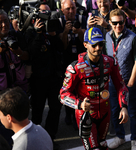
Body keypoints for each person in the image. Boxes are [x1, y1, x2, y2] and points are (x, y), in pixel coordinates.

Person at [60, 27, 129, 150]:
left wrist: (124, 106)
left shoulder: (111, 62)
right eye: (94, 45)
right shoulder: (76, 67)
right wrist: (80, 104)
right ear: (85, 44)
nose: (98, 48)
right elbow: (63, 95)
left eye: (101, 44)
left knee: (103, 144)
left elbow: (121, 85)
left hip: (105, 112)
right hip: (86, 115)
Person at [24, 3, 63, 144]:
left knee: (55, 109)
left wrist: (53, 35)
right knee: (37, 111)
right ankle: (36, 141)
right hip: (38, 79)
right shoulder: (30, 31)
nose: (45, 16)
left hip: (54, 78)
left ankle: (49, 138)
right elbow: (32, 53)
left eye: (47, 12)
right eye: (42, 13)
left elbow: (60, 48)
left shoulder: (53, 27)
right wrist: (39, 34)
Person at [0, 9, 29, 146]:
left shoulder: (17, 35)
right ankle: (6, 146)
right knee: (4, 120)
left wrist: (17, 51)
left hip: (18, 85)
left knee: (20, 116)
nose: (4, 25)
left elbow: (27, 56)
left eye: (6, 21)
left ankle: (22, 144)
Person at [106, 9, 136, 150]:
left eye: (121, 22)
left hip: (128, 81)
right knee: (115, 110)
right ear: (110, 23)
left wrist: (131, 82)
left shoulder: (133, 38)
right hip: (112, 82)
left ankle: (135, 140)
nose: (118, 26)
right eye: (114, 23)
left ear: (124, 21)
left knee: (132, 111)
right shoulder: (107, 37)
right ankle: (120, 137)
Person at [58, 0, 87, 129]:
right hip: (66, 59)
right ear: (62, 10)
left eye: (73, 8)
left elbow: (86, 42)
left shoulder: (83, 18)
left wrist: (79, 31)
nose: (71, 11)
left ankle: (79, 115)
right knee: (68, 88)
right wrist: (65, 32)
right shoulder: (59, 22)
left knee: (80, 88)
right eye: (68, 9)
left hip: (81, 59)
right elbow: (62, 46)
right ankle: (69, 113)